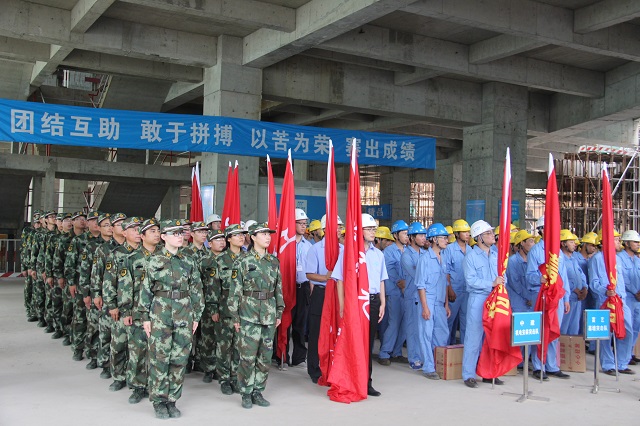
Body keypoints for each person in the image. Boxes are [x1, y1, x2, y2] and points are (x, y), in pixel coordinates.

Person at [139, 219, 204, 419]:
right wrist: (145, 317)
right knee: (160, 358)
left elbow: (196, 289)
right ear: (163, 237)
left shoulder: (189, 261)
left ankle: (172, 399)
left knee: (179, 358)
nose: (179, 236)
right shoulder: (153, 260)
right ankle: (159, 401)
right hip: (160, 313)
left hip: (184, 313)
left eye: (180, 233)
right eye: (174, 233)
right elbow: (145, 290)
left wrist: (196, 315)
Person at [229, 222, 284, 409]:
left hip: (268, 314)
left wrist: (279, 311)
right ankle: (245, 392)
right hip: (248, 314)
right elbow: (234, 292)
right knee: (247, 356)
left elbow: (278, 289)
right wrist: (235, 317)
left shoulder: (273, 261)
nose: (268, 237)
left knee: (265, 356)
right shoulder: (242, 261)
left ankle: (258, 391)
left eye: (269, 234)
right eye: (263, 234)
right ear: (252, 237)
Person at [332, 213, 387, 397]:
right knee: (355, 341)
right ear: (359, 231)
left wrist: (383, 302)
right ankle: (352, 378)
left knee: (369, 343)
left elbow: (381, 280)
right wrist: (342, 306)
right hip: (355, 302)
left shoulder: (378, 254)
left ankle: (366, 382)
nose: (373, 232)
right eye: (369, 229)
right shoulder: (349, 254)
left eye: (373, 229)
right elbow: (340, 280)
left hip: (373, 301)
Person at [118, 218, 161, 404]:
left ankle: (156, 386)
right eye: (152, 231)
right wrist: (126, 311)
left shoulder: (165, 257)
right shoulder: (132, 259)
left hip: (161, 312)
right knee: (138, 351)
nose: (157, 234)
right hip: (137, 311)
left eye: (158, 231)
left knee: (158, 352)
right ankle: (137, 387)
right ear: (142, 236)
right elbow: (125, 287)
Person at [525, 216, 571, 380]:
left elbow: (563, 276)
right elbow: (529, 275)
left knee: (554, 331)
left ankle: (552, 365)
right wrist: (540, 279)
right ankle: (538, 366)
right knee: (541, 331)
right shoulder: (536, 251)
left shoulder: (558, 252)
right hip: (541, 296)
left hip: (557, 297)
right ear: (542, 230)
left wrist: (566, 298)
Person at [462, 220, 504, 388]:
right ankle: (468, 374)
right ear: (479, 238)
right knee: (473, 337)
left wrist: (500, 283)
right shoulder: (471, 257)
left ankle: (488, 372)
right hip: (478, 299)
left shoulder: (496, 255)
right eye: (488, 233)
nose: (492, 235)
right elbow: (471, 280)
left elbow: (502, 276)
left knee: (491, 338)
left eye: (491, 232)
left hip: (494, 299)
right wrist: (491, 283)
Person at [103, 216, 142, 392]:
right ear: (124, 233)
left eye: (139, 229)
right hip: (121, 307)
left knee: (138, 348)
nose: (137, 232)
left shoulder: (147, 254)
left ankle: (137, 381)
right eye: (133, 229)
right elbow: (109, 282)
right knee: (119, 343)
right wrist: (112, 305)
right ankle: (118, 376)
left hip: (140, 309)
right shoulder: (116, 254)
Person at [305, 214, 344, 383]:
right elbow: (309, 274)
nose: (339, 229)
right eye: (336, 226)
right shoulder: (315, 249)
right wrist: (326, 278)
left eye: (340, 226)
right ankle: (314, 369)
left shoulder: (343, 249)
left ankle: (334, 367)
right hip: (321, 293)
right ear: (325, 229)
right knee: (316, 332)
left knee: (337, 331)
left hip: (339, 294)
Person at [91, 212, 126, 380]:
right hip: (108, 297)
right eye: (119, 224)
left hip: (125, 300)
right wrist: (96, 294)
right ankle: (105, 364)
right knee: (106, 333)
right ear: (112, 228)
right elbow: (97, 274)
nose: (123, 227)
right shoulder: (103, 249)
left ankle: (123, 367)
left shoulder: (132, 248)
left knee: (122, 338)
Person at [213, 224, 247, 394]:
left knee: (240, 345)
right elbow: (214, 286)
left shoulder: (248, 258)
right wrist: (214, 309)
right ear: (228, 239)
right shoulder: (220, 260)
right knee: (224, 345)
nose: (241, 237)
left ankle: (236, 377)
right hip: (225, 307)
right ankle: (224, 379)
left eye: (242, 234)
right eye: (236, 235)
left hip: (244, 308)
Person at [415, 223, 451, 380]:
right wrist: (425, 307)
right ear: (435, 239)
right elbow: (420, 286)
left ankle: (438, 364)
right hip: (428, 300)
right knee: (426, 334)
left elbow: (445, 283)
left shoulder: (443, 258)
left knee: (442, 333)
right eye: (444, 238)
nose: (446, 241)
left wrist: (446, 304)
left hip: (440, 301)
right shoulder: (424, 259)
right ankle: (428, 367)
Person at [65, 210, 98, 361]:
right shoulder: (79, 240)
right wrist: (71, 282)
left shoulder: (106, 242)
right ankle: (78, 347)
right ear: (89, 223)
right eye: (93, 220)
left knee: (94, 321)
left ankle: (93, 350)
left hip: (98, 286)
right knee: (80, 317)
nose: (96, 223)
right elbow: (70, 263)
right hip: (82, 283)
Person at [378, 219, 409, 366]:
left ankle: (396, 352)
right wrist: (400, 282)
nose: (407, 236)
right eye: (404, 233)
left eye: (408, 233)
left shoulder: (408, 250)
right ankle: (384, 353)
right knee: (394, 323)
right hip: (394, 292)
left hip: (407, 292)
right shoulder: (389, 252)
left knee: (405, 324)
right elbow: (389, 272)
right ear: (396, 235)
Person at [197, 229, 225, 384]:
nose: (221, 242)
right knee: (207, 338)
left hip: (225, 305)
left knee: (223, 339)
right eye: (217, 239)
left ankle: (221, 369)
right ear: (210, 243)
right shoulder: (204, 261)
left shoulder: (229, 260)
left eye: (223, 239)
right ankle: (208, 369)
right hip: (207, 306)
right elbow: (197, 283)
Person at [287, 208, 312, 367]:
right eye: (300, 223)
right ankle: (281, 355)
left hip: (302, 287)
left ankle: (299, 357)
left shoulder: (308, 246)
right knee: (285, 323)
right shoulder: (285, 244)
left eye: (305, 223)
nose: (303, 226)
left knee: (300, 324)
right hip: (287, 287)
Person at [401, 221, 428, 370]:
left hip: (423, 296)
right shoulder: (406, 255)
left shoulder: (424, 253)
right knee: (412, 328)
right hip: (412, 296)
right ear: (412, 237)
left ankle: (423, 356)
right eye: (420, 235)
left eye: (424, 235)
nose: (424, 238)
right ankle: (414, 358)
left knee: (422, 328)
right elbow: (417, 275)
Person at [442, 219, 471, 345]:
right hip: (454, 291)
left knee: (466, 323)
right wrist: (449, 290)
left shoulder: (470, 250)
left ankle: (464, 350)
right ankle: (444, 349)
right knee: (448, 322)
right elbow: (446, 272)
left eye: (468, 232)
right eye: (464, 232)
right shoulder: (449, 249)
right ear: (457, 234)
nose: (467, 234)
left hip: (467, 291)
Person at [559, 230, 588, 335]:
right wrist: (574, 289)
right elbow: (561, 279)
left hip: (577, 299)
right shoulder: (559, 259)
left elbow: (581, 275)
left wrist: (585, 287)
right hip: (567, 299)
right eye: (571, 242)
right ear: (563, 243)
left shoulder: (573, 260)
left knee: (574, 329)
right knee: (563, 329)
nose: (574, 244)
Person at [618, 230, 640, 365]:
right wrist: (635, 291)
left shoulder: (637, 260)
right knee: (626, 328)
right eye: (635, 242)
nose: (638, 244)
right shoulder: (619, 258)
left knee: (636, 327)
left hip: (638, 300)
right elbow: (622, 278)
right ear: (626, 243)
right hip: (626, 298)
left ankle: (629, 353)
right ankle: (622, 357)